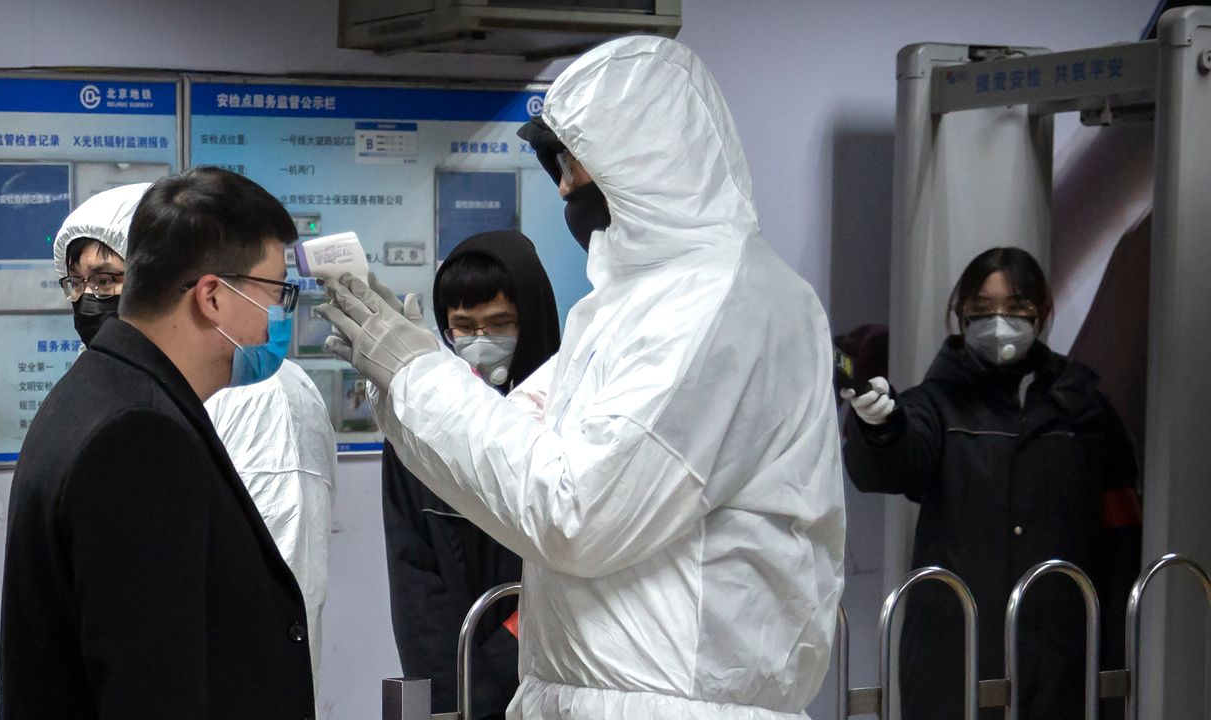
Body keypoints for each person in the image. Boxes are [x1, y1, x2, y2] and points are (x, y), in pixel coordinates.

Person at [321, 36, 846, 720]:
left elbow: (577, 511)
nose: (565, 188)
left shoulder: (724, 302)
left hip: (677, 705)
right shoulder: (624, 307)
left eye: (574, 164)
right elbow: (514, 455)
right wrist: (401, 386)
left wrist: (420, 375)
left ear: (647, 153)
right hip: (590, 692)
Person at [0, 167, 315, 719]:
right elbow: (149, 687)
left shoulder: (101, 389)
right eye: (274, 291)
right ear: (212, 297)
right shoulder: (139, 436)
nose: (278, 314)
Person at [842, 247, 1142, 720]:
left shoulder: (1085, 411)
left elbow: (1121, 541)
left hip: (1061, 653)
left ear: (1041, 311)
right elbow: (892, 465)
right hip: (956, 650)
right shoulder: (937, 404)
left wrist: (1115, 657)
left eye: (1016, 307)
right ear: (961, 314)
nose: (999, 322)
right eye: (982, 309)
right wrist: (881, 429)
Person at [383, 230, 560, 719]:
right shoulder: (421, 421)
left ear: (533, 318)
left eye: (500, 323)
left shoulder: (570, 407)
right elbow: (412, 572)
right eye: (463, 326)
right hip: (454, 677)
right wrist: (453, 690)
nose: (481, 342)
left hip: (552, 661)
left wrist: (512, 649)